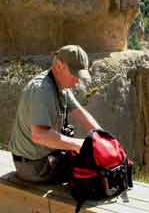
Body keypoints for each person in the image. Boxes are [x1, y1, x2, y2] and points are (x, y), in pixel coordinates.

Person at [9, 45, 102, 183]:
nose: (78, 80)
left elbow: (80, 113)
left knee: (93, 160)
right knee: (94, 172)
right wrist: (79, 145)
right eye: (75, 74)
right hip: (34, 166)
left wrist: (102, 137)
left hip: (45, 158)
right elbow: (39, 135)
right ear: (59, 66)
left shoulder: (59, 86)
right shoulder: (41, 90)